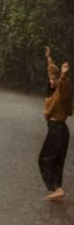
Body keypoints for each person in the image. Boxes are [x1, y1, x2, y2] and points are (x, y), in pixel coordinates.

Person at [38, 46, 73, 201]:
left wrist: (64, 75)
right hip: (58, 130)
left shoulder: (62, 88)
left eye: (54, 79)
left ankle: (54, 188)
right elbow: (51, 71)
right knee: (57, 162)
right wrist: (49, 58)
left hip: (58, 129)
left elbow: (64, 88)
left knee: (44, 160)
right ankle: (58, 190)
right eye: (50, 79)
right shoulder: (53, 89)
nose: (52, 81)